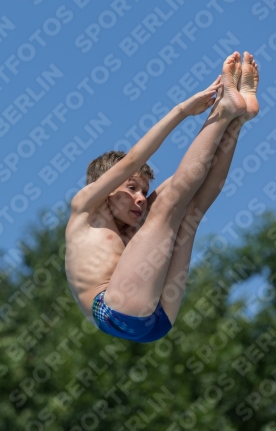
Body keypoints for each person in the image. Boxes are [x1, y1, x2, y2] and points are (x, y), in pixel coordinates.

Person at [65, 51, 259, 343]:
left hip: (153, 314)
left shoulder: (131, 230)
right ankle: (224, 111)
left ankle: (235, 120)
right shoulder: (86, 210)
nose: (141, 199)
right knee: (168, 207)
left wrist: (233, 118)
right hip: (115, 311)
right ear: (106, 187)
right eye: (131, 188)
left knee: (189, 207)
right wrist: (182, 110)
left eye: (143, 190)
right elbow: (132, 160)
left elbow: (193, 183)